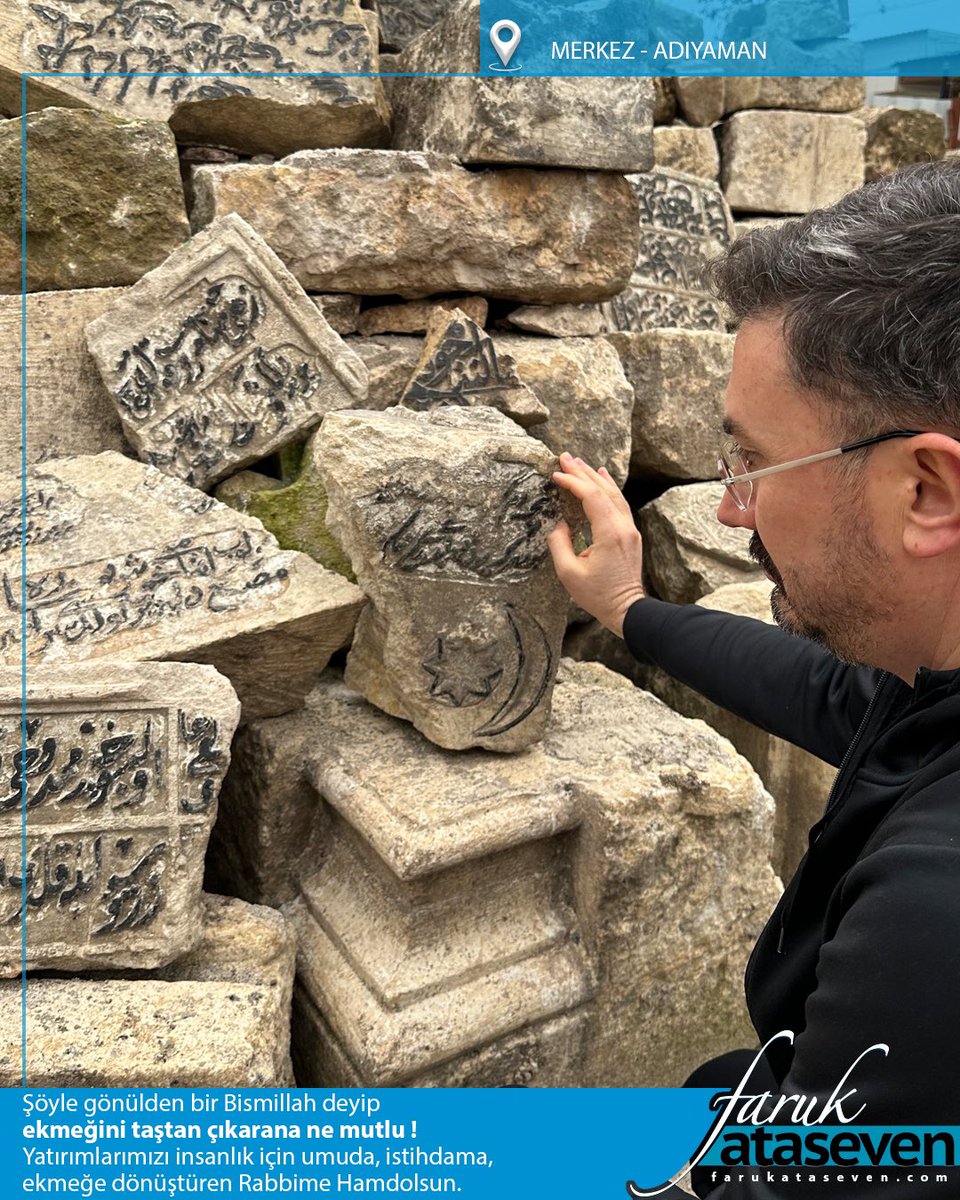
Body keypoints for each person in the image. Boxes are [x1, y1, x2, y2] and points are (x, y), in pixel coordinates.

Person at [547, 160, 960, 1197]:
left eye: (751, 465)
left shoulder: (930, 920)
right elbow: (837, 702)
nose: (732, 511)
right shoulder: (934, 685)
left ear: (927, 489)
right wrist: (629, 609)